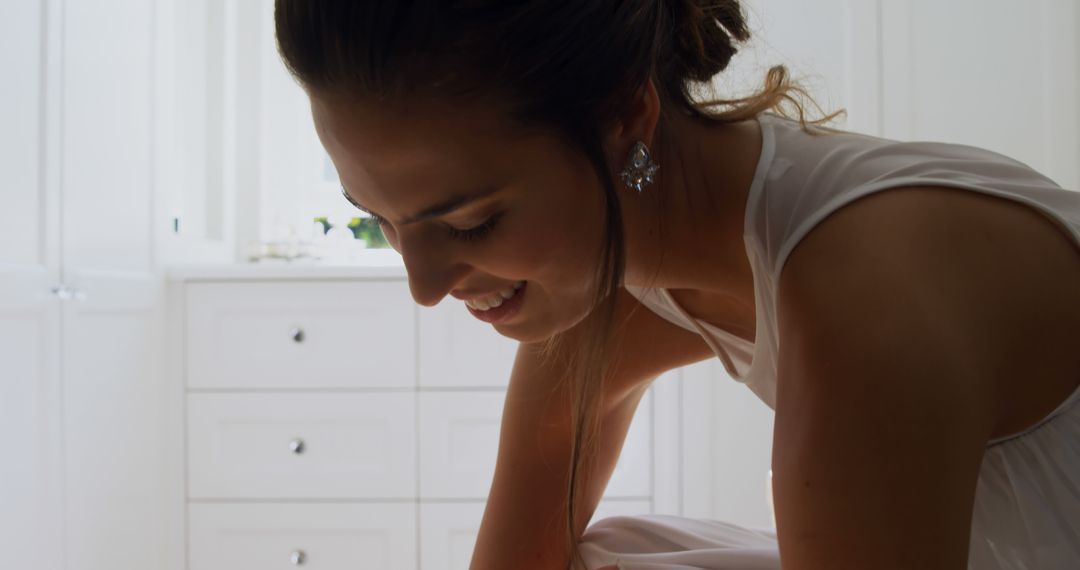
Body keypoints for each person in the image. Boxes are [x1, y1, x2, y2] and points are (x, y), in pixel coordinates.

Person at [274, 1, 1080, 568]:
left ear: (626, 115)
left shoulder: (861, 301)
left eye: (472, 224)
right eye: (377, 217)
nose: (423, 285)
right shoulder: (605, 278)